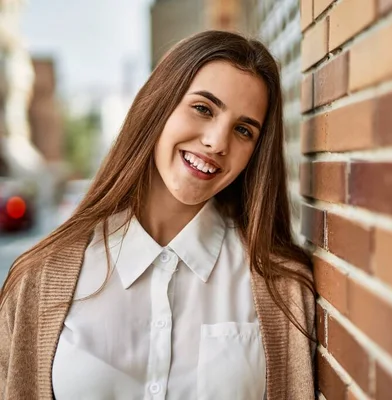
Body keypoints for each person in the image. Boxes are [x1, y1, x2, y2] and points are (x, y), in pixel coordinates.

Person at [0, 30, 316, 400]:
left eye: (243, 130)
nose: (217, 142)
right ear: (158, 105)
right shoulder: (38, 278)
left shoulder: (282, 290)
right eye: (203, 108)